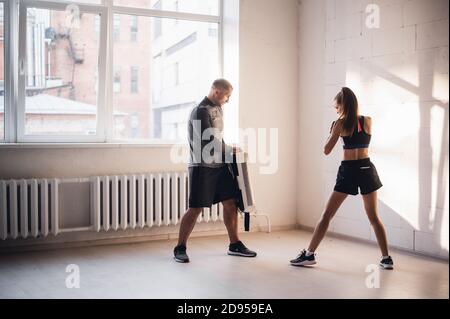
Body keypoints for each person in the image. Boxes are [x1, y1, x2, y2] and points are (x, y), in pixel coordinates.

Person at [290, 87, 394, 269]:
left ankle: (309, 254)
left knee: (327, 215)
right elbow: (359, 135)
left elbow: (326, 150)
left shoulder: (340, 123)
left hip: (349, 170)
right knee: (374, 218)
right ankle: (386, 258)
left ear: (342, 105)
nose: (335, 109)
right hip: (366, 168)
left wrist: (333, 131)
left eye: (336, 106)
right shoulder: (367, 121)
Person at [173, 79, 257, 263]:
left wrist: (228, 148)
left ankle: (234, 244)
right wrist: (229, 150)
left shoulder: (218, 108)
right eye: (227, 96)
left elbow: (217, 138)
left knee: (231, 203)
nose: (228, 100)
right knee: (195, 209)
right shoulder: (200, 111)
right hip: (201, 167)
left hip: (219, 166)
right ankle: (180, 248)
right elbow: (207, 141)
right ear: (217, 92)